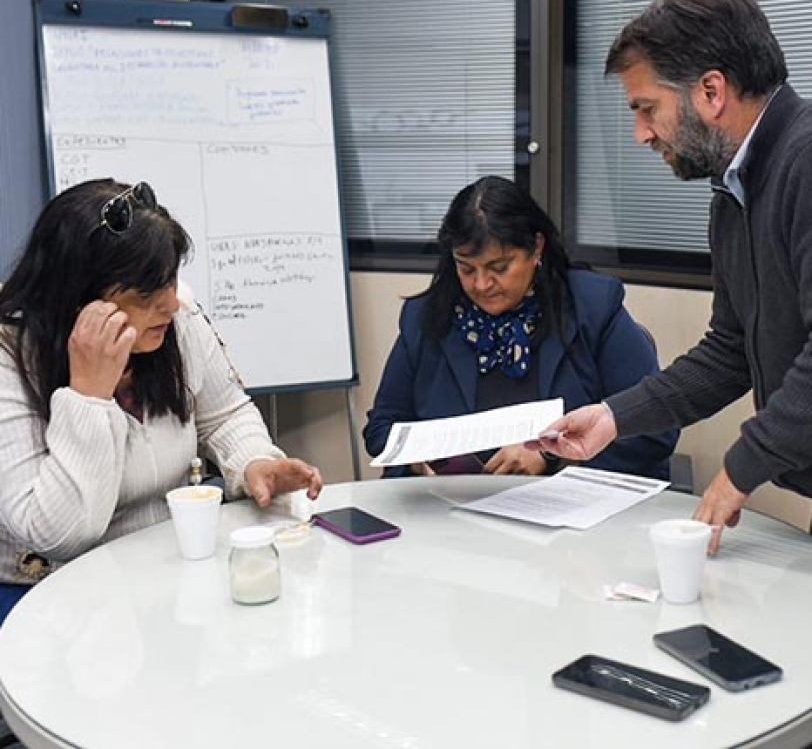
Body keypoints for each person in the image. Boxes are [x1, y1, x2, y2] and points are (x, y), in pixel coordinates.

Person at [532, 0, 812, 554]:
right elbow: (731, 348)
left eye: (646, 108)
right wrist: (614, 416)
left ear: (711, 90)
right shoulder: (734, 194)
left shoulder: (805, 163)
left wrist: (741, 466)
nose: (640, 134)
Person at [0, 178, 323, 623]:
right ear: (78, 299)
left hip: (165, 566)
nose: (171, 304)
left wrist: (252, 462)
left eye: (171, 279)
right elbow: (60, 535)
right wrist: (88, 395)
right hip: (49, 596)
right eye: (146, 295)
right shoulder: (9, 356)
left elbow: (224, 414)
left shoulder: (175, 320)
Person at [364, 175, 677, 478]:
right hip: (452, 509)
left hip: (566, 508)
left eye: (499, 267)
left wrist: (550, 455)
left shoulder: (592, 307)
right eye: (466, 268)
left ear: (536, 249)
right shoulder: (427, 317)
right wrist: (417, 461)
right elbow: (382, 428)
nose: (482, 284)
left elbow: (653, 426)